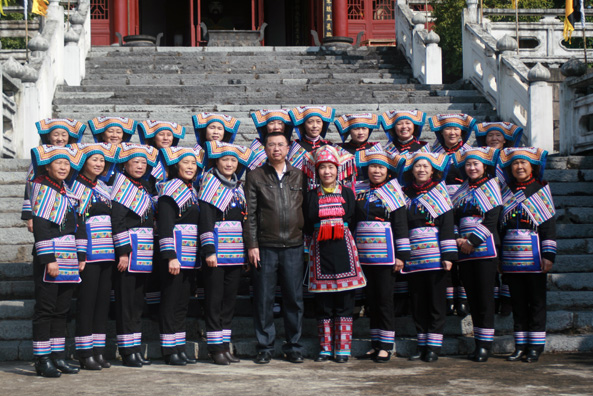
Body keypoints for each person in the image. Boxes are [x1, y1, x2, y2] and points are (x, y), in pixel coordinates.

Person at [244, 131, 306, 364]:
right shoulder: (255, 176)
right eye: (271, 145)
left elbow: (306, 209)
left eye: (281, 145)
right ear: (265, 149)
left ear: (288, 148)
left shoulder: (299, 176)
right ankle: (265, 346)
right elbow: (249, 213)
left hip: (293, 245)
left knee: (294, 298)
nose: (276, 149)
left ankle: (294, 346)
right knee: (264, 298)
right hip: (265, 247)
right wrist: (252, 245)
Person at [302, 145, 365, 363]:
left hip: (344, 249)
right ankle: (325, 348)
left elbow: (353, 219)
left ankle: (343, 348)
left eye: (331, 167)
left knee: (345, 300)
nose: (327, 172)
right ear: (316, 171)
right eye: (323, 168)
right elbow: (308, 224)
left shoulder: (347, 192)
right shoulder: (311, 195)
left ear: (337, 170)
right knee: (324, 302)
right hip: (320, 251)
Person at [29, 145, 85, 377]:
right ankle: (42, 359)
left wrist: (81, 256)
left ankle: (58, 356)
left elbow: (78, 226)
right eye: (58, 163)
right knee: (46, 309)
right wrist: (48, 259)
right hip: (50, 256)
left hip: (70, 256)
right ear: (48, 166)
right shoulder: (42, 190)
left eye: (66, 164)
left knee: (62, 310)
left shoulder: (68, 191)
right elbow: (41, 229)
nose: (63, 167)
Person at [498, 147, 556, 363]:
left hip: (534, 255)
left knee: (536, 301)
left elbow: (548, 225)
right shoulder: (504, 190)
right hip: (511, 256)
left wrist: (548, 254)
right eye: (515, 163)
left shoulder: (540, 189)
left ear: (532, 166)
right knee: (517, 301)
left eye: (523, 163)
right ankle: (520, 345)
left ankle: (535, 346)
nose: (519, 167)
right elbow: (499, 227)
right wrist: (499, 258)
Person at [400, 152, 458, 362]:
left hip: (435, 255)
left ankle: (433, 346)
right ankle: (421, 343)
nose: (421, 170)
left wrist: (449, 255)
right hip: (414, 256)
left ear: (432, 170)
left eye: (425, 166)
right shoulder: (404, 193)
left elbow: (447, 225)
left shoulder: (439, 192)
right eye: (417, 166)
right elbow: (401, 225)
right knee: (418, 301)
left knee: (435, 302)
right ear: (411, 170)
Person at [353, 147, 409, 363]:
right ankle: (375, 343)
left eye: (381, 168)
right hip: (364, 253)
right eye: (373, 167)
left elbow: (400, 225)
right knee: (371, 300)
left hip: (386, 254)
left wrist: (401, 255)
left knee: (385, 300)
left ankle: (386, 345)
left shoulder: (394, 192)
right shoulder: (360, 190)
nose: (376, 171)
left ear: (388, 171)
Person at [199, 141, 253, 365]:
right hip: (217, 251)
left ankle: (225, 344)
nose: (229, 164)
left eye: (233, 160)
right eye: (225, 160)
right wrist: (209, 250)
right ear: (216, 162)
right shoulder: (209, 184)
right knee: (214, 299)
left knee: (229, 300)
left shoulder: (238, 187)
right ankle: (215, 347)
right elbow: (206, 221)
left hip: (236, 251)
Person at [69, 143, 119, 370]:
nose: (98, 164)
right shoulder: (76, 186)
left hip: (106, 252)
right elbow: (77, 222)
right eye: (94, 160)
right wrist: (80, 253)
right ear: (84, 163)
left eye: (101, 161)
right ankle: (84, 351)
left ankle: (98, 350)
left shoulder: (103, 186)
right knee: (87, 303)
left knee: (101, 304)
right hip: (88, 253)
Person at [451, 147, 503, 362]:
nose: (472, 168)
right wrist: (458, 239)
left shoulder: (492, 186)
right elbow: (453, 217)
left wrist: (472, 241)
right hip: (464, 249)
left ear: (484, 167)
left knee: (484, 298)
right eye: (468, 165)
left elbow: (492, 220)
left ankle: (485, 345)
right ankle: (477, 341)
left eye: (476, 165)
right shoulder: (462, 189)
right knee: (472, 296)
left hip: (485, 249)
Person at [110, 143, 159, 367]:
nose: (139, 166)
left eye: (142, 163)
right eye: (134, 162)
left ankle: (136, 348)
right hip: (128, 250)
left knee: (138, 301)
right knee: (126, 302)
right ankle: (127, 351)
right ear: (125, 165)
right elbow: (118, 221)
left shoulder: (146, 185)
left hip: (145, 250)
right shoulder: (121, 186)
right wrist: (122, 252)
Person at [156, 146, 204, 365]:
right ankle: (168, 349)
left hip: (190, 253)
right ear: (176, 166)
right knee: (170, 301)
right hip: (175, 254)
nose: (190, 167)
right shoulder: (170, 190)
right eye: (186, 163)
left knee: (182, 302)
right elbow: (165, 225)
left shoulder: (192, 190)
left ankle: (179, 347)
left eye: (194, 164)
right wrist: (170, 256)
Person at [429, 113, 477, 318]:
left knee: (463, 252)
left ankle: (463, 298)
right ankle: (449, 297)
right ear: (441, 132)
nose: (452, 132)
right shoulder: (433, 153)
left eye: (456, 129)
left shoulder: (471, 153)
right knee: (447, 248)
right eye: (448, 129)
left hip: (466, 203)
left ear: (463, 132)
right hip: (440, 204)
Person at [474, 121, 524, 316]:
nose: (494, 139)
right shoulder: (481, 159)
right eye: (490, 136)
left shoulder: (514, 158)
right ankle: (493, 298)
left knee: (508, 256)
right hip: (488, 209)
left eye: (498, 136)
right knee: (491, 256)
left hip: (511, 207)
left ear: (505, 139)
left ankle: (508, 298)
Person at [138, 120, 188, 314]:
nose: (166, 138)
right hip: (153, 213)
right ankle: (152, 305)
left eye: (169, 134)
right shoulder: (147, 160)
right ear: (153, 137)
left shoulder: (177, 159)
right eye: (161, 134)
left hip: (174, 214)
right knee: (155, 263)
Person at [22, 119, 86, 233]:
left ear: (69, 136)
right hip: (46, 203)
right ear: (49, 137)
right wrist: (30, 216)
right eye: (56, 135)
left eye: (63, 135)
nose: (60, 138)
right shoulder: (42, 156)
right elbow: (30, 185)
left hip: (70, 203)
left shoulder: (75, 155)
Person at [88, 117, 138, 182]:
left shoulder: (130, 154)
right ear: (103, 135)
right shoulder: (94, 152)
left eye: (118, 132)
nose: (114, 135)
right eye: (110, 131)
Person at [287, 105, 336, 170]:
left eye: (318, 122)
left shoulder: (329, 147)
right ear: (304, 125)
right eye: (310, 122)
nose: (315, 126)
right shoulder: (296, 147)